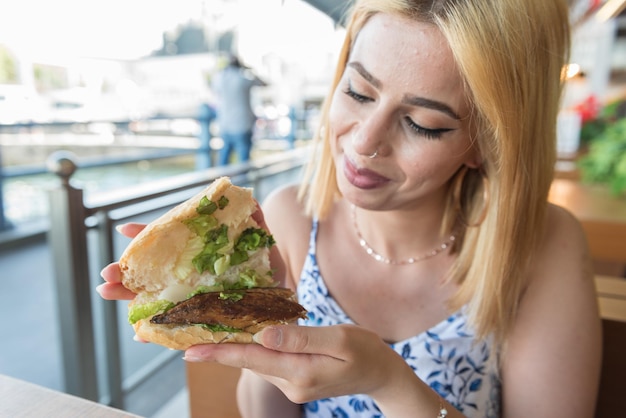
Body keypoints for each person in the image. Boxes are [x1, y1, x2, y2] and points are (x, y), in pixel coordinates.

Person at [98, 0, 602, 416]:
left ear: (485, 142)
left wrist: (389, 382)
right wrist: (257, 332)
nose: (364, 142)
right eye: (358, 91)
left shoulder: (541, 246)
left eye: (423, 123)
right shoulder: (290, 219)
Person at [211, 54, 266, 166]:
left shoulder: (220, 79)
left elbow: (212, 86)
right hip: (242, 125)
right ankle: (243, 182)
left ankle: (221, 183)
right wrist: (249, 70)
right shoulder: (244, 79)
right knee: (243, 163)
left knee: (223, 162)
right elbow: (263, 84)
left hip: (225, 125)